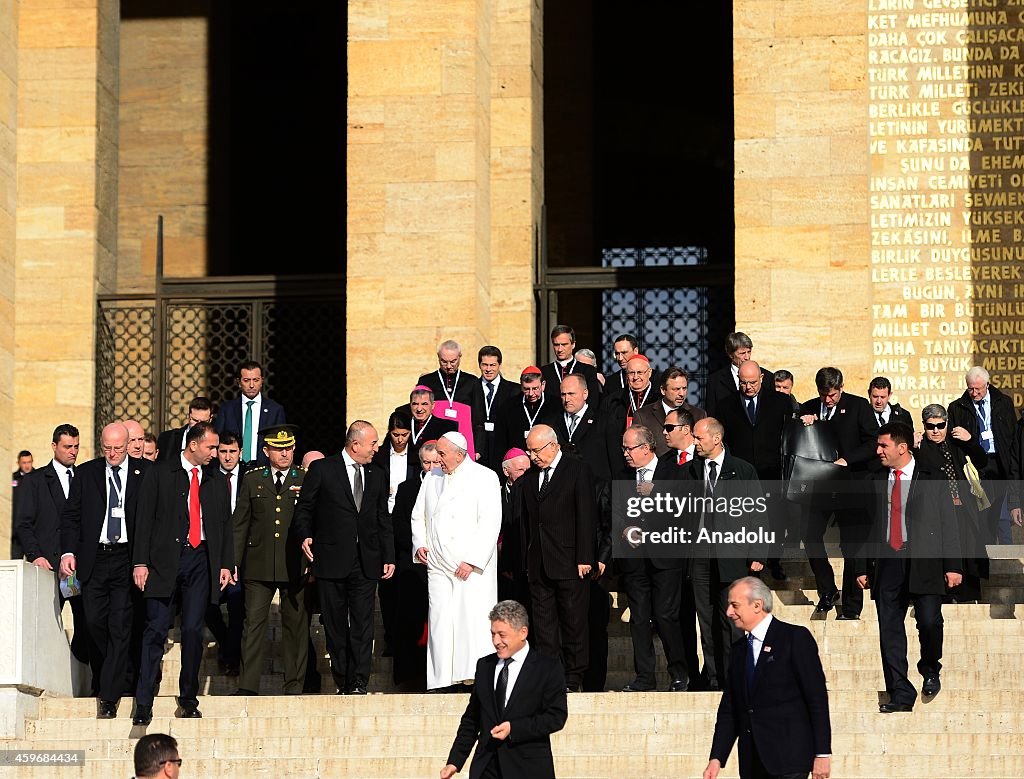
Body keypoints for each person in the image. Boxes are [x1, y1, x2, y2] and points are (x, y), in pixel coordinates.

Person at [856, 423, 963, 713]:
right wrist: (861, 566)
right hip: (888, 562)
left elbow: (949, 524)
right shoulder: (875, 479)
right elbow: (865, 527)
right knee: (889, 630)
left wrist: (953, 565)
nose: (878, 451)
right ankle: (901, 694)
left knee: (929, 621)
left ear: (902, 448)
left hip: (925, 562)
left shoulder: (932, 476)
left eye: (883, 446)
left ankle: (930, 667)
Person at [131, 421, 233, 724]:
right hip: (163, 562)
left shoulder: (215, 479)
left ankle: (188, 698)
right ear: (193, 445)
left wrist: (225, 563)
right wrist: (140, 562)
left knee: (192, 630)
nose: (215, 453)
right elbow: (143, 520)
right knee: (155, 630)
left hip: (200, 559)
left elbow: (224, 524)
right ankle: (144, 702)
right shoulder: (160, 473)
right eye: (211, 447)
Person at [292, 421, 395, 695]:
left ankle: (360, 681)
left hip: (366, 561)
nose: (377, 448)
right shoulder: (323, 469)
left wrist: (389, 555)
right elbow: (304, 509)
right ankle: (343, 679)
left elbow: (381, 517)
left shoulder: (377, 473)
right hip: (331, 559)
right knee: (336, 626)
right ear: (355, 444)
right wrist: (305, 535)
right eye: (372, 443)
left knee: (363, 624)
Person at [59, 422, 150, 718]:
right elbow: (71, 516)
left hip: (126, 558)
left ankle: (108, 696)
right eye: (107, 448)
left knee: (120, 626)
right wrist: (68, 552)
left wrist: (143, 561)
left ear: (128, 446)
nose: (112, 454)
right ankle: (104, 677)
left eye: (118, 448)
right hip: (94, 559)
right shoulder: (86, 473)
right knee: (94, 623)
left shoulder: (143, 473)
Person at [704, 577, 831, 779]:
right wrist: (717, 757)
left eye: (734, 605)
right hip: (752, 762)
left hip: (789, 759)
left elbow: (816, 698)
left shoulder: (793, 638)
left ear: (757, 605)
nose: (728, 612)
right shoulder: (738, 651)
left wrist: (822, 753)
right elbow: (730, 708)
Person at [680, 417, 766, 690]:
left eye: (699, 438)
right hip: (699, 555)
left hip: (732, 553)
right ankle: (714, 678)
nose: (694, 442)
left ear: (716, 439)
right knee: (706, 620)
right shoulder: (690, 471)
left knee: (732, 619)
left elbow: (758, 514)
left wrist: (758, 554)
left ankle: (736, 676)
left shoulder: (742, 470)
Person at [412, 431, 501, 691]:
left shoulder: (485, 477)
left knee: (470, 621)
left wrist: (472, 560)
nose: (436, 459)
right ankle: (441, 678)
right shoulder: (432, 478)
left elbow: (490, 522)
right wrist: (421, 545)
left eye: (441, 454)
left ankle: (472, 675)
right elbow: (419, 515)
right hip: (438, 565)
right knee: (440, 621)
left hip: (469, 567)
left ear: (460, 454)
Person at [441, 600, 568, 779]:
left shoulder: (547, 667)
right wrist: (455, 760)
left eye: (502, 635)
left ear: (523, 632)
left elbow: (556, 717)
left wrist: (514, 729)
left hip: (527, 767)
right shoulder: (485, 665)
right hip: (486, 766)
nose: (496, 641)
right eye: (493, 634)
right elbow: (472, 719)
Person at [233, 424, 309, 695]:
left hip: (294, 563)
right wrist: (234, 561)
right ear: (266, 451)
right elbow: (240, 523)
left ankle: (293, 685)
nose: (285, 453)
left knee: (295, 627)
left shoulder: (304, 477)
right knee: (253, 625)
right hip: (258, 562)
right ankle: (248, 685)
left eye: (288, 448)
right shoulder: (253, 479)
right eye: (279, 449)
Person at [520, 424, 596, 693]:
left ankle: (573, 677)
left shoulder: (577, 470)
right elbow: (528, 523)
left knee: (574, 623)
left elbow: (586, 515)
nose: (533, 457)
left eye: (536, 450)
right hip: (539, 563)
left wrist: (585, 556)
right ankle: (550, 677)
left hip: (570, 561)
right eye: (529, 451)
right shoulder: (530, 478)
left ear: (554, 446)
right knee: (543, 626)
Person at [798, 367, 878, 620]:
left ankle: (852, 608)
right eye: (824, 395)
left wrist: (847, 459)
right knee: (810, 534)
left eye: (832, 395)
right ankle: (828, 588)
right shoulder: (809, 407)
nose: (828, 399)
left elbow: (872, 442)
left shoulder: (858, 406)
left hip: (851, 484)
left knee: (852, 545)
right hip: (820, 487)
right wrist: (806, 424)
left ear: (840, 388)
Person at [616, 424, 689, 692]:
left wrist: (654, 494)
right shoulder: (623, 475)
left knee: (666, 616)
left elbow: (683, 511)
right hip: (635, 559)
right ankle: (644, 677)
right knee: (638, 619)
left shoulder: (674, 473)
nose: (625, 453)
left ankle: (679, 673)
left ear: (646, 448)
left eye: (629, 448)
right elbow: (614, 511)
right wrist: (624, 529)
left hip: (665, 558)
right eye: (623, 448)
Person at [16, 425, 87, 663]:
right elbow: (23, 524)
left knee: (86, 622)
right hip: (48, 565)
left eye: (76, 446)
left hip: (77, 568)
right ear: (54, 446)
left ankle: (81, 673)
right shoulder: (35, 481)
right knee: (45, 624)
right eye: (68, 446)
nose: (73, 451)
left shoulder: (84, 477)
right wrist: (36, 555)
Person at [716, 360, 792, 580]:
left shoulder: (780, 401)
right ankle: (750, 561)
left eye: (752, 382)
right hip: (741, 474)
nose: (748, 387)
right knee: (746, 520)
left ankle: (774, 561)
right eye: (743, 382)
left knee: (775, 520)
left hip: (772, 471)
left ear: (761, 379)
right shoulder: (726, 405)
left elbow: (791, 431)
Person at [915, 404, 989, 603]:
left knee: (967, 547)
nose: (936, 430)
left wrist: (971, 440)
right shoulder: (920, 447)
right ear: (924, 426)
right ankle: (945, 593)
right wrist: (913, 447)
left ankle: (967, 594)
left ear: (947, 423)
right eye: (931, 426)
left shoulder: (956, 443)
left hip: (963, 504)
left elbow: (982, 461)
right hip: (935, 510)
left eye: (941, 425)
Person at [391, 441, 441, 689]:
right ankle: (410, 675)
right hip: (413, 564)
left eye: (435, 462)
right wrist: (417, 546)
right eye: (426, 462)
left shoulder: (448, 485)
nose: (431, 467)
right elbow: (399, 522)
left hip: (442, 564)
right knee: (411, 619)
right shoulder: (407, 488)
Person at [947, 366, 1016, 545]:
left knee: (1002, 512)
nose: (974, 393)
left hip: (1001, 463)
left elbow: (1012, 437)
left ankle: (1006, 558)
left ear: (987, 384)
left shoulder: (1003, 403)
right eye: (970, 388)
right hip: (975, 467)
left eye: (978, 388)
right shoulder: (957, 407)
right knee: (982, 513)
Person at [207, 430, 244, 674]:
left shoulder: (250, 478)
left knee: (237, 604)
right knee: (206, 606)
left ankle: (230, 656)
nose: (228, 457)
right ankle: (226, 643)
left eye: (232, 452)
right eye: (223, 452)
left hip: (242, 555)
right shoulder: (207, 477)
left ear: (240, 453)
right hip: (213, 553)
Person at [214, 360, 287, 466]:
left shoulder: (275, 410)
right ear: (239, 382)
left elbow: (280, 442)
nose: (251, 385)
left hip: (264, 469)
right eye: (246, 380)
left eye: (256, 380)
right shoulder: (227, 409)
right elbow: (218, 439)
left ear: (262, 381)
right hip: (233, 467)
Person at [632, 366, 707, 456]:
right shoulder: (642, 416)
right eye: (676, 389)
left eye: (684, 388)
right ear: (663, 390)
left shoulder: (698, 415)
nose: (681, 394)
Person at [470, 345, 521, 470]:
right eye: (484, 365)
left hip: (502, 449)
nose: (488, 369)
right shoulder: (471, 388)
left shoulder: (514, 390)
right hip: (477, 451)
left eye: (492, 365)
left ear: (499, 364)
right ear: (479, 365)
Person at [705, 332, 772, 417]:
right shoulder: (715, 381)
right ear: (730, 354)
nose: (747, 357)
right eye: (742, 353)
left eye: (749, 352)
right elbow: (711, 414)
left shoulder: (767, 377)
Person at [541, 325, 602, 408]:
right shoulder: (544, 372)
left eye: (564, 344)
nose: (560, 349)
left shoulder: (587, 370)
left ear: (573, 344)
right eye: (556, 345)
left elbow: (593, 402)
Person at [404, 386, 459, 463]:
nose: (419, 409)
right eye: (415, 404)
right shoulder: (403, 424)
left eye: (424, 404)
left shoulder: (448, 426)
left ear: (433, 405)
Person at [156, 396, 213, 463]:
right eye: (195, 420)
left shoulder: (216, 442)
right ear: (188, 416)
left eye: (203, 422)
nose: (198, 425)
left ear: (210, 419)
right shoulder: (167, 437)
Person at [10, 449, 33, 559]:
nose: (27, 466)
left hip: (32, 531)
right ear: (18, 463)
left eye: (29, 462)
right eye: (24, 463)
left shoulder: (38, 478)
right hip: (16, 531)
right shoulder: (13, 479)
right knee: (16, 562)